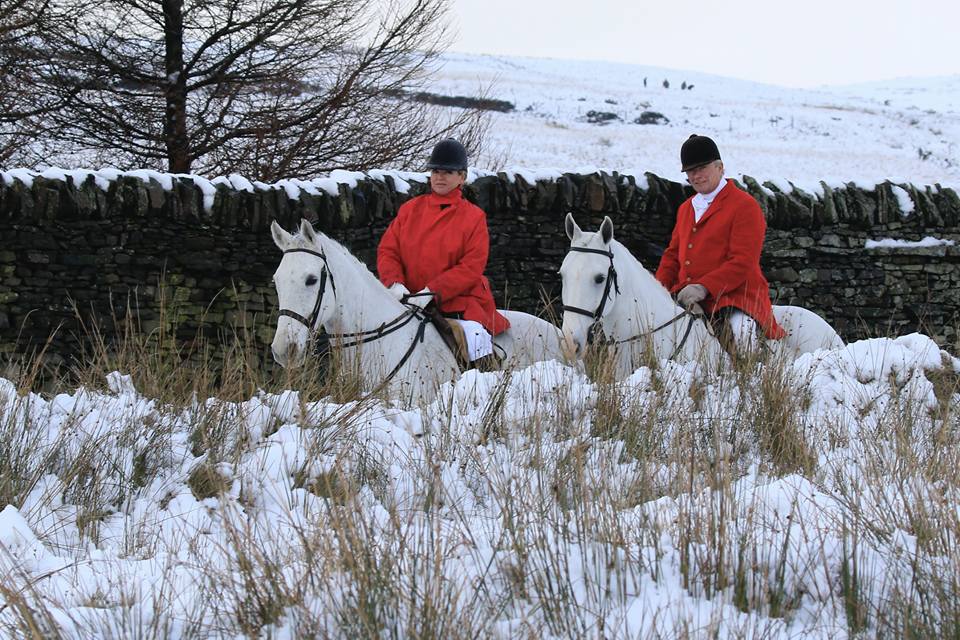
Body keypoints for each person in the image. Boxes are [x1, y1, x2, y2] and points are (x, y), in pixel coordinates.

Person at [377, 138, 509, 369]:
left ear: (462, 177)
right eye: (435, 171)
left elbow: (471, 267)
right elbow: (389, 250)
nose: (439, 177)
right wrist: (395, 283)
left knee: (475, 340)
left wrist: (432, 292)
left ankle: (486, 384)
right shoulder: (410, 209)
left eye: (448, 172)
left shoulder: (474, 217)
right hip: (406, 298)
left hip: (458, 302)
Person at [654, 134, 785, 357]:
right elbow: (673, 256)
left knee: (743, 336)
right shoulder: (686, 208)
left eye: (702, 167)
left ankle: (757, 382)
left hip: (734, 298)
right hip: (685, 296)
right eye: (690, 171)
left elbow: (743, 261)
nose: (696, 175)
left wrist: (703, 287)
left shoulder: (745, 206)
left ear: (720, 167)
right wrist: (657, 291)